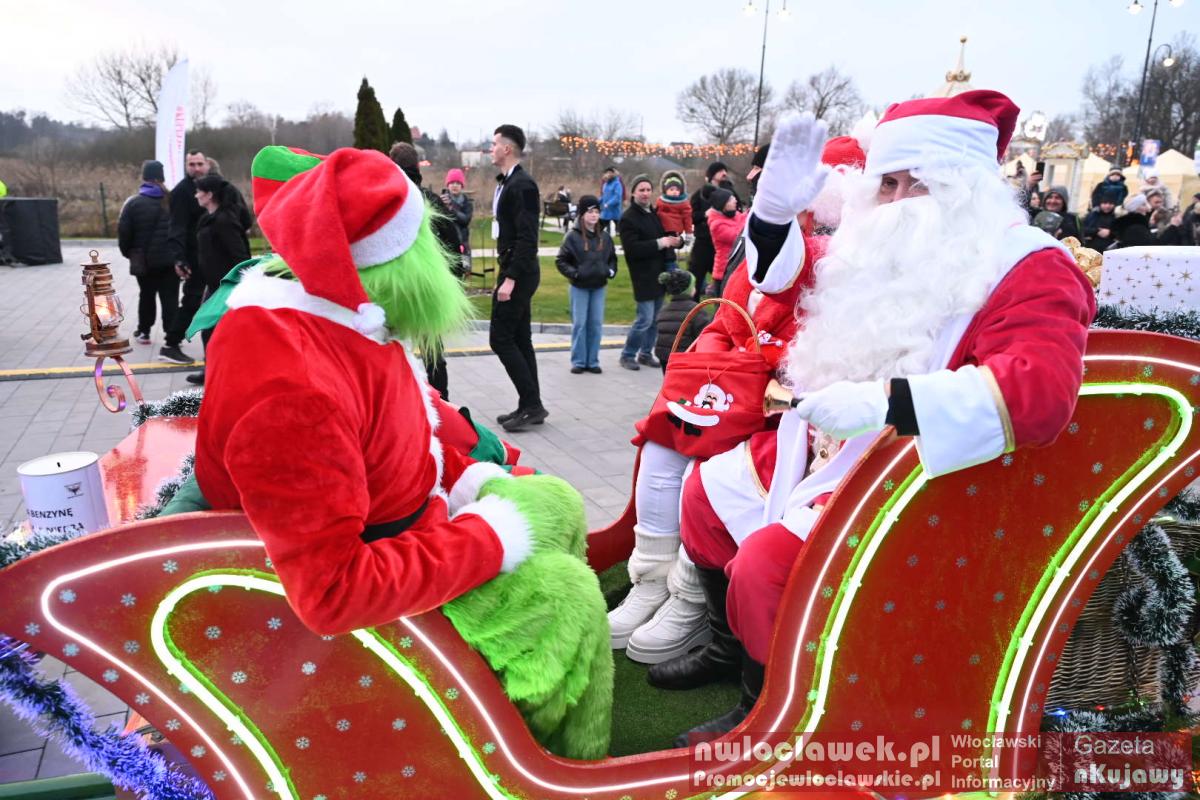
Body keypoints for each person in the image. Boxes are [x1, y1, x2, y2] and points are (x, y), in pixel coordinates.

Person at [661, 92, 1095, 743]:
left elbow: (1040, 394)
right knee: (703, 494)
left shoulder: (1027, 265)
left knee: (767, 565)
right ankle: (735, 654)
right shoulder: (879, 247)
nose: (893, 202)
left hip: (926, 473)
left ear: (963, 188)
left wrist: (887, 404)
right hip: (831, 449)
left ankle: (778, 715)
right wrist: (773, 218)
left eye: (912, 183)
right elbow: (794, 278)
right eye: (885, 183)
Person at [190, 145, 612, 760]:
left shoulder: (350, 320)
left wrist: (475, 482)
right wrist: (491, 536)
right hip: (370, 591)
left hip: (408, 525)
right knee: (565, 599)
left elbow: (404, 436)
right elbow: (332, 592)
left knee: (557, 501)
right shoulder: (293, 385)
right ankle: (535, 761)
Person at [611, 136, 864, 665]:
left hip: (784, 419)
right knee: (660, 445)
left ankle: (690, 599)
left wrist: (758, 374)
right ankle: (650, 581)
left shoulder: (849, 278)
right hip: (733, 396)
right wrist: (716, 369)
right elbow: (725, 323)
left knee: (704, 470)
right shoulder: (764, 262)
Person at [160, 150, 251, 365]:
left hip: (219, 265)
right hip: (197, 259)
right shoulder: (182, 192)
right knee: (195, 303)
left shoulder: (224, 200)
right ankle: (173, 344)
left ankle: (214, 357)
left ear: (207, 165)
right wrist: (179, 258)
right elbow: (177, 227)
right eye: (191, 164)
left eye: (200, 163)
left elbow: (242, 230)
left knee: (212, 311)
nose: (196, 168)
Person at [390, 141, 463, 399]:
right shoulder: (431, 201)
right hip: (428, 285)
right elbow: (453, 240)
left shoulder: (391, 201)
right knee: (432, 351)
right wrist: (453, 277)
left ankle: (396, 400)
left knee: (391, 346)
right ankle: (443, 401)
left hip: (396, 285)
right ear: (417, 169)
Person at [490, 124, 546, 432]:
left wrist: (510, 278)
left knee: (500, 338)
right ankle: (530, 404)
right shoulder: (508, 182)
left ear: (507, 149)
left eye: (494, 144)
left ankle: (531, 404)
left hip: (519, 272)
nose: (491, 149)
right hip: (512, 268)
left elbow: (528, 237)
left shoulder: (523, 185)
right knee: (521, 338)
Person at [185, 175, 252, 385]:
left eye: (199, 191)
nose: (196, 195)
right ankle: (214, 371)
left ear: (209, 195)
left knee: (214, 329)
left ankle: (219, 373)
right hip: (214, 284)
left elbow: (240, 255)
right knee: (210, 329)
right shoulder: (210, 218)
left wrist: (238, 284)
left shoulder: (224, 221)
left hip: (226, 286)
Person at [618, 175, 679, 371]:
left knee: (655, 320)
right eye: (641, 190)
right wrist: (660, 243)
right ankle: (628, 354)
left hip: (660, 274)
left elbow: (667, 237)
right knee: (644, 319)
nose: (645, 193)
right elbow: (632, 249)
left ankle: (645, 353)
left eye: (648, 190)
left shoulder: (654, 214)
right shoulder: (628, 218)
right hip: (642, 275)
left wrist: (675, 241)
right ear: (633, 193)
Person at [117, 160, 178, 345]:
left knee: (146, 295)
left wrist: (129, 253)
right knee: (170, 297)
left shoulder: (133, 203)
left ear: (144, 177)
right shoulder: (173, 200)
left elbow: (124, 233)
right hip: (170, 259)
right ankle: (172, 335)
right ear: (162, 177)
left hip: (144, 260)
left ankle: (144, 331)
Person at [555, 195, 617, 375]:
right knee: (580, 324)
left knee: (595, 324)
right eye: (590, 212)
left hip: (599, 286)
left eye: (597, 211)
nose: (594, 215)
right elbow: (561, 260)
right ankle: (579, 361)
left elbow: (612, 259)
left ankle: (593, 361)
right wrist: (575, 273)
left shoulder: (605, 237)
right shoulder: (572, 237)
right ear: (582, 214)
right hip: (579, 287)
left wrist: (610, 271)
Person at [652, 270, 706, 372]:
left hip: (665, 359)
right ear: (690, 290)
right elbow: (705, 336)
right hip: (687, 361)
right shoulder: (697, 311)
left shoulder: (663, 310)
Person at [688, 162, 729, 298]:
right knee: (695, 278)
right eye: (720, 171)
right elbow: (692, 216)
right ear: (712, 175)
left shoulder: (729, 193)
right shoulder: (699, 195)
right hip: (703, 242)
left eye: (725, 170)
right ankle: (692, 308)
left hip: (722, 244)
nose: (724, 173)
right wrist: (705, 214)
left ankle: (723, 307)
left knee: (724, 281)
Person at [705, 187, 748, 296]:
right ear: (723, 205)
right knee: (724, 302)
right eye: (730, 199)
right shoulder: (717, 225)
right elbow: (738, 237)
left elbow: (744, 219)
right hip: (725, 271)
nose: (735, 200)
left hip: (737, 267)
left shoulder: (735, 215)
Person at [655, 171, 692, 271]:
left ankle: (671, 266)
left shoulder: (683, 203)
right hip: (661, 228)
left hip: (674, 229)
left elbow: (687, 218)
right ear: (665, 190)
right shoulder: (661, 201)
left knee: (669, 248)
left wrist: (689, 233)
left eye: (677, 190)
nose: (674, 192)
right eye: (671, 189)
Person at [443, 167, 474, 257]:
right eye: (452, 183)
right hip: (447, 245)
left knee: (465, 265)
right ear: (448, 185)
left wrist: (451, 210)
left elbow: (465, 220)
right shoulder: (442, 201)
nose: (455, 185)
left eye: (458, 183)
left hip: (463, 245)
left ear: (462, 186)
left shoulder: (467, 203)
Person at [600, 166, 623, 236]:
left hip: (614, 209)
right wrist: (597, 201)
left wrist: (609, 203)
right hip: (606, 210)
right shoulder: (605, 184)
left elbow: (617, 196)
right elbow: (604, 195)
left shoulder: (617, 184)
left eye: (610, 173)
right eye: (607, 173)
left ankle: (618, 235)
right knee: (604, 226)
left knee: (618, 227)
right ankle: (606, 236)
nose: (608, 174)